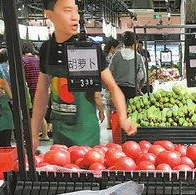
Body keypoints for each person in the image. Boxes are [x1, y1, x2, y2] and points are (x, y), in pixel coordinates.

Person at [32, 0, 137, 152]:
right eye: (67, 11)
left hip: (86, 135)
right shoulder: (46, 50)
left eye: (76, 11)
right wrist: (34, 132)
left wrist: (123, 118)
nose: (75, 17)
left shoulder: (89, 49)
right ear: (50, 15)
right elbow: (42, 93)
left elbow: (113, 87)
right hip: (60, 133)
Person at [22, 40, 50, 140]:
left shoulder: (24, 61)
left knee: (31, 115)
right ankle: (45, 134)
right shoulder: (38, 60)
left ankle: (32, 136)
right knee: (40, 113)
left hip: (30, 91)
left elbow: (22, 78)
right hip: (42, 89)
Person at [109, 31, 146, 102]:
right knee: (130, 110)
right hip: (132, 89)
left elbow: (110, 72)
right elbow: (143, 76)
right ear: (135, 42)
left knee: (118, 111)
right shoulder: (138, 57)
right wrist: (140, 86)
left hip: (117, 89)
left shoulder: (116, 55)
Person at [102, 37, 120, 129]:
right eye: (117, 47)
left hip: (105, 83)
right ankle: (112, 123)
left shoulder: (104, 56)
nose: (118, 50)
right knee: (112, 104)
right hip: (110, 83)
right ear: (112, 47)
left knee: (108, 104)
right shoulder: (111, 57)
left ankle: (109, 123)